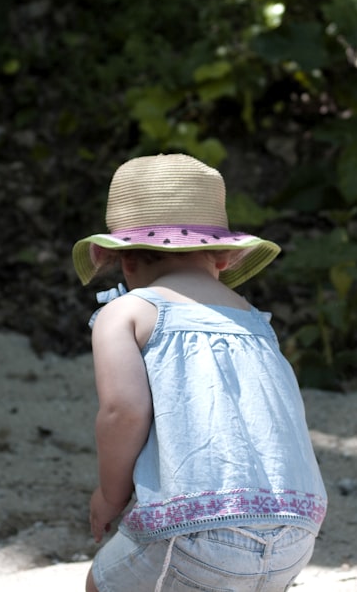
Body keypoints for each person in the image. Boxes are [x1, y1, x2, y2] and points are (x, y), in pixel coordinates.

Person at [72, 153, 327, 592]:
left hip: (198, 530)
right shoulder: (254, 321)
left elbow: (123, 412)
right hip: (298, 529)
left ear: (124, 261)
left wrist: (110, 496)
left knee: (103, 583)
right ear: (225, 258)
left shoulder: (127, 312)